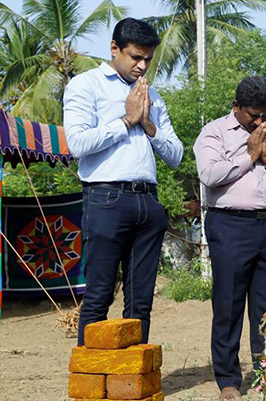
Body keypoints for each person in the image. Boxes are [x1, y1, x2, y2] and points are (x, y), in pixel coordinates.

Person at [64, 18, 183, 346]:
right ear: (114, 48)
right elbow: (77, 144)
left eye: (148, 59)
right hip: (106, 197)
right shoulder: (86, 85)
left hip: (149, 202)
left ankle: (133, 387)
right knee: (99, 296)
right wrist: (126, 120)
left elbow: (175, 154)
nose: (142, 66)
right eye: (135, 57)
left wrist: (146, 123)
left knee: (140, 304)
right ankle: (92, 385)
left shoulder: (153, 96)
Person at [194, 76, 266, 400]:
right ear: (236, 107)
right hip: (229, 225)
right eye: (253, 115)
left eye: (265, 115)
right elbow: (210, 175)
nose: (260, 122)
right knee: (228, 304)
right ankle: (228, 380)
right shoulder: (215, 132)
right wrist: (249, 156)